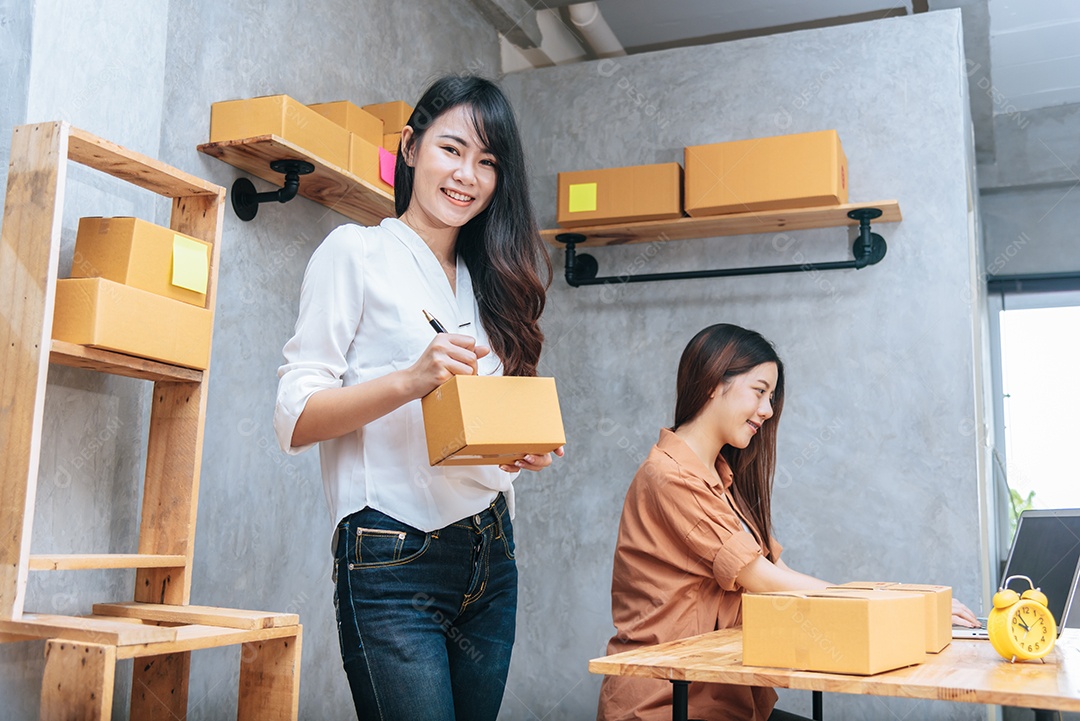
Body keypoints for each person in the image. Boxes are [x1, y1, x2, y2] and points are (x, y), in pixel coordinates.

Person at [274, 75, 561, 721]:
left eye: (488, 162)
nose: (468, 175)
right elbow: (294, 416)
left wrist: (516, 449)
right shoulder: (356, 252)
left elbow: (470, 424)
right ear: (409, 147)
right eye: (452, 149)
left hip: (493, 551)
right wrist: (410, 378)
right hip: (393, 556)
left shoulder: (489, 283)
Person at [596, 324, 978, 721]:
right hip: (667, 704)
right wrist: (906, 611)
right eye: (759, 391)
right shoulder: (670, 476)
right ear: (713, 382)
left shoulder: (722, 480)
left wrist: (910, 602)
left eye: (772, 396)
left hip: (724, 698)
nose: (768, 409)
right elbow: (764, 580)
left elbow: (777, 572)